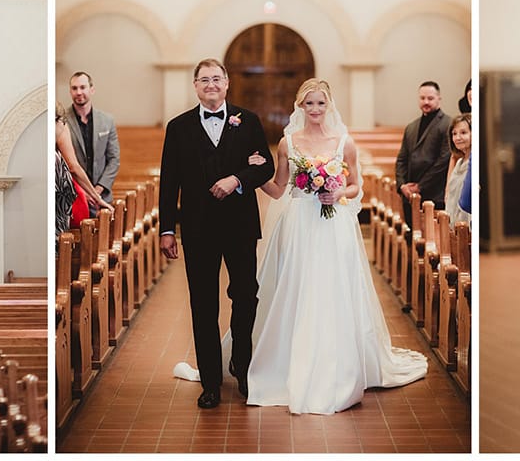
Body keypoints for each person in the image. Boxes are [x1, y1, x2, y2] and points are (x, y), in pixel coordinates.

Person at [194, 79, 428, 415]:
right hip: (300, 222)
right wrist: (253, 174)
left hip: (333, 226)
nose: (315, 110)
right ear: (300, 106)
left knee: (333, 290)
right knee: (300, 290)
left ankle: (339, 364)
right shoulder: (288, 143)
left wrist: (338, 194)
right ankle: (292, 360)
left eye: (320, 104)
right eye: (309, 104)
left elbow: (355, 186)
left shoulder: (344, 142)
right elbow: (278, 188)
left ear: (328, 105)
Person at [158, 59, 275, 409]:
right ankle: (210, 381)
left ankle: (241, 366)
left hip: (239, 226)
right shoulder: (178, 127)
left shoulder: (248, 121)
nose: (211, 84)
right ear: (195, 86)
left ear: (227, 84)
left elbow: (266, 165)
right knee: (203, 303)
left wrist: (238, 179)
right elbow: (169, 182)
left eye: (216, 79)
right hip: (197, 228)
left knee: (245, 295)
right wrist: (167, 229)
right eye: (204, 79)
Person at [66, 72, 120, 211]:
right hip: (73, 197)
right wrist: (83, 192)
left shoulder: (107, 121)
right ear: (70, 91)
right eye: (74, 88)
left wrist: (97, 191)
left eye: (83, 87)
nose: (79, 92)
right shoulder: (62, 121)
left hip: (102, 196)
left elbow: (114, 159)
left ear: (92, 89)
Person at [397, 81, 453, 216]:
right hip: (410, 195)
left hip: (435, 195)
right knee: (411, 234)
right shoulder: (411, 127)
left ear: (439, 99)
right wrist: (402, 185)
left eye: (430, 98)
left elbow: (444, 161)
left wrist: (420, 186)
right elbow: (401, 159)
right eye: (422, 98)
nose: (426, 101)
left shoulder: (448, 124)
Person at [55, 108, 112, 236]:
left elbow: (114, 159)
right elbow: (73, 167)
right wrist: (97, 198)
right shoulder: (55, 159)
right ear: (57, 121)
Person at [445, 113, 474, 227]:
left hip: (466, 225)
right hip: (453, 223)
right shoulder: (458, 163)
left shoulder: (474, 162)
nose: (457, 138)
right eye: (454, 134)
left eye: (463, 133)